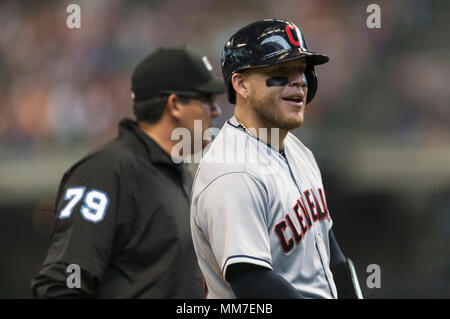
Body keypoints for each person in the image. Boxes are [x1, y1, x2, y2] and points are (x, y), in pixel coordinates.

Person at [31, 45, 225, 298]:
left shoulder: (181, 175)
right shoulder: (106, 172)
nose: (216, 111)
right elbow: (61, 285)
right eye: (206, 100)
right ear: (175, 104)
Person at [190, 19, 363, 299]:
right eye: (281, 71)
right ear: (241, 84)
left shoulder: (297, 150)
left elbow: (333, 258)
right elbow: (253, 283)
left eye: (302, 70)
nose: (299, 81)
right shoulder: (232, 172)